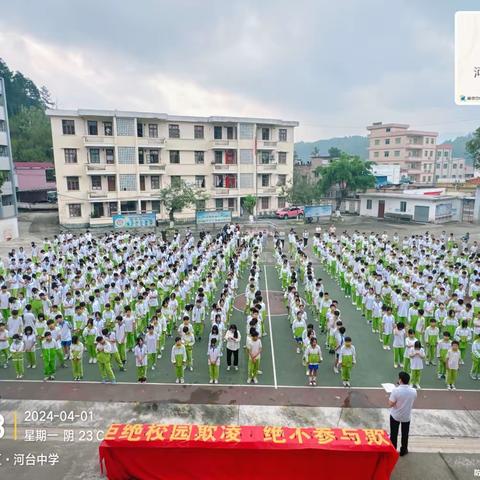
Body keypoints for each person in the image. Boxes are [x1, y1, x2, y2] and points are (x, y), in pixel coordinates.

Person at [389, 371, 417, 457]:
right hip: (406, 416)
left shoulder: (395, 391)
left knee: (393, 434)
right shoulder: (413, 391)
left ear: (400, 380)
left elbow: (390, 404)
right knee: (405, 434)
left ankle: (393, 450)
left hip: (395, 415)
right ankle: (403, 450)